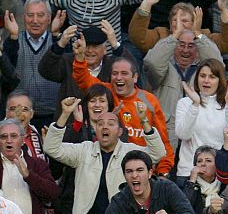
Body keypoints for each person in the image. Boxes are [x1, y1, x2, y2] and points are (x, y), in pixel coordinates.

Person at [44, 96, 166, 214]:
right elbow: (51, 147)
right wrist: (65, 114)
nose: (105, 127)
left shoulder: (130, 152)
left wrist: (144, 121)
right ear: (96, 130)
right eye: (100, 124)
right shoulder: (84, 150)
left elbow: (158, 153)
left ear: (120, 131)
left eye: (111, 123)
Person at [71, 39, 175, 175]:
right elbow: (83, 78)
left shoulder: (149, 100)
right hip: (112, 167)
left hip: (141, 169)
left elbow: (162, 140)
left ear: (135, 77)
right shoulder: (105, 93)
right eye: (115, 73)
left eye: (124, 73)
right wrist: (79, 57)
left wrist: (163, 172)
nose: (118, 78)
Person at [143, 29, 223, 146]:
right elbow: (151, 63)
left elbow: (218, 65)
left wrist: (200, 36)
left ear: (198, 48)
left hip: (195, 140)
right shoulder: (163, 67)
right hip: (167, 138)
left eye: (191, 46)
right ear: (174, 45)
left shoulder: (203, 71)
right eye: (181, 45)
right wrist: (173, 37)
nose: (185, 50)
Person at [174, 58, 228, 184]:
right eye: (202, 76)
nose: (206, 80)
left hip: (219, 175)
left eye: (212, 77)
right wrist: (195, 105)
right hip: (189, 173)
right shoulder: (185, 103)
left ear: (219, 80)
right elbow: (183, 134)